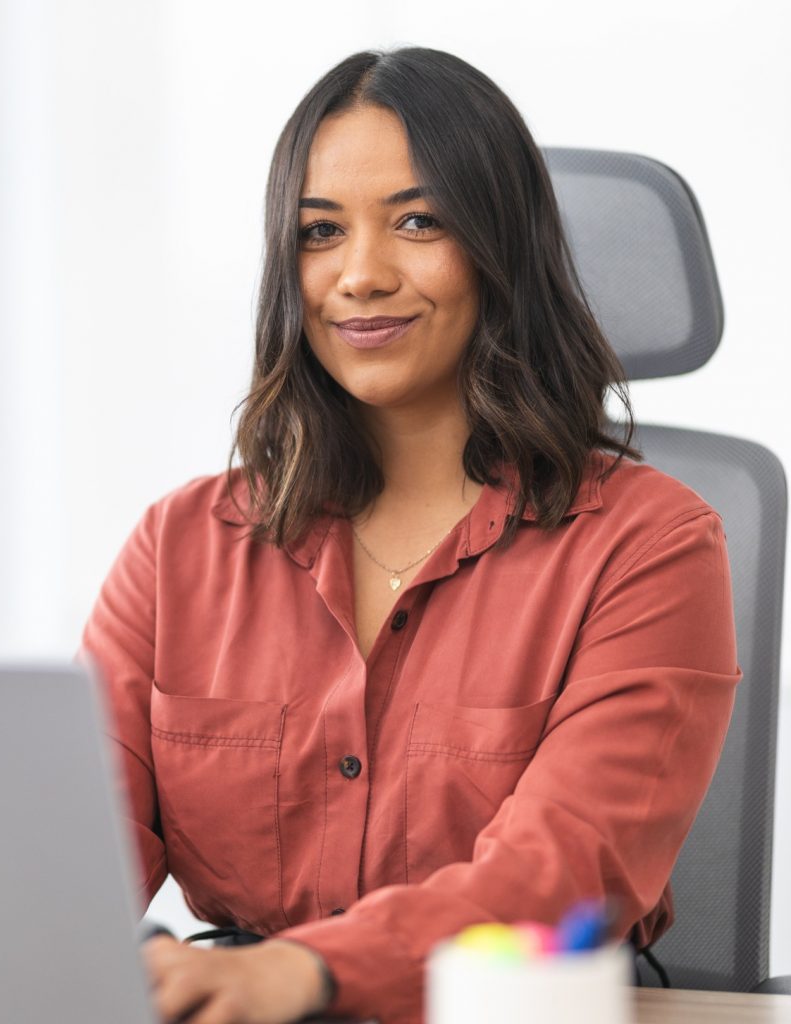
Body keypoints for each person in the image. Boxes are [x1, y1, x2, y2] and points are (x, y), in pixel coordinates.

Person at [81, 47, 738, 1024]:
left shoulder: (650, 545)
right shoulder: (180, 546)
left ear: (496, 245)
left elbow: (558, 873)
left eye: (417, 222)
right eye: (318, 233)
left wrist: (304, 971)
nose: (358, 275)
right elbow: (65, 864)